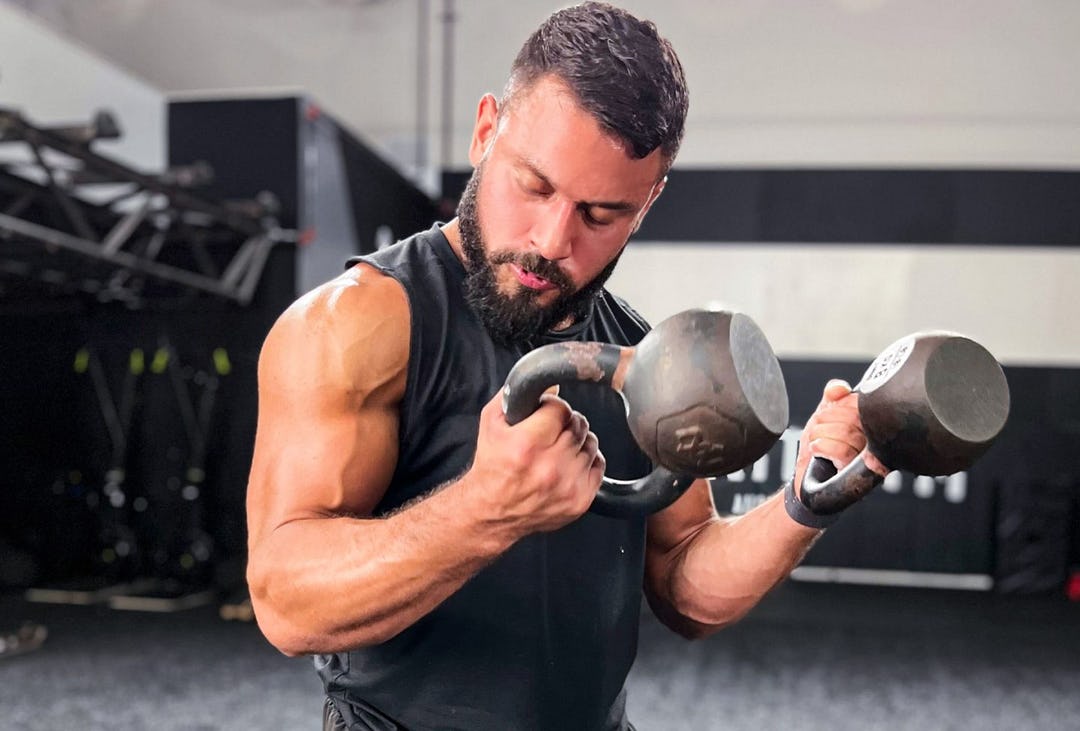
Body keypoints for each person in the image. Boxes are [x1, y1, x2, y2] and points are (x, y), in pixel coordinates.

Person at [245, 3, 887, 730]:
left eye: (600, 214)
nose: (552, 240)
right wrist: (484, 510)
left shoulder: (643, 355)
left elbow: (686, 580)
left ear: (648, 202)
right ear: (487, 129)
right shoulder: (360, 324)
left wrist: (807, 502)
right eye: (534, 186)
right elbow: (284, 601)